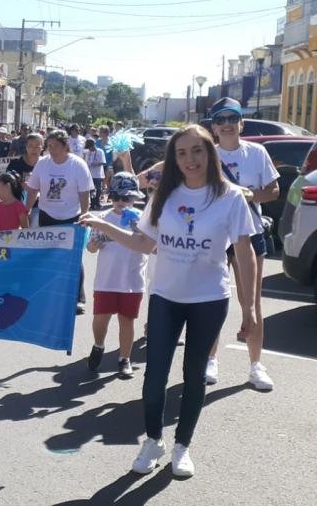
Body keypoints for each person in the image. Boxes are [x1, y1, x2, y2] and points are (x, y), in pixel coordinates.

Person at [80, 124, 257, 478]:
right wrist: (105, 225)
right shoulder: (166, 195)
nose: (190, 159)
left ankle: (182, 446)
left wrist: (249, 307)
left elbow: (244, 251)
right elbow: (145, 243)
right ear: (173, 159)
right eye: (181, 153)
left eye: (197, 151)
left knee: (194, 377)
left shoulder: (230, 197)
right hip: (165, 297)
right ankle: (153, 441)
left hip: (209, 299)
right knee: (154, 377)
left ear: (210, 153)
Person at [206, 98, 279, 390]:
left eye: (232, 118)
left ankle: (255, 365)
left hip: (250, 232)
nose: (226, 124)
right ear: (213, 126)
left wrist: (249, 196)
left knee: (251, 301)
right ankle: (210, 360)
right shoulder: (206, 154)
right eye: (220, 120)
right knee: (211, 298)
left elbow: (274, 190)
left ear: (241, 123)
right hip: (214, 234)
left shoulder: (257, 153)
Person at [85, 173, 148, 378]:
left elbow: (149, 244)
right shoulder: (101, 218)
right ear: (111, 197)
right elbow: (91, 248)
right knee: (100, 319)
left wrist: (137, 227)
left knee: (127, 321)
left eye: (127, 198)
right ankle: (98, 345)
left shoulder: (142, 217)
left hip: (132, 279)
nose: (121, 202)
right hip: (106, 279)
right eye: (117, 197)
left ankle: (124, 359)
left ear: (134, 198)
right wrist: (93, 245)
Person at [25, 129, 95, 314]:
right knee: (48, 255)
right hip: (47, 215)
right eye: (49, 146)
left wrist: (85, 215)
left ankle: (77, 298)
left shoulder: (77, 164)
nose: (52, 150)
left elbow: (84, 193)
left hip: (71, 216)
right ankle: (50, 293)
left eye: (55, 146)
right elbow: (33, 189)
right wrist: (26, 210)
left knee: (73, 257)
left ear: (65, 146)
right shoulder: (43, 164)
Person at [84, 139, 107, 209]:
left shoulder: (100, 151)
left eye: (90, 147)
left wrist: (95, 164)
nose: (89, 149)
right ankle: (92, 203)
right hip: (89, 174)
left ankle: (97, 202)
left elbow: (103, 162)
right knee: (91, 189)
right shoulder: (87, 152)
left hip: (98, 174)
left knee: (98, 189)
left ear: (93, 145)